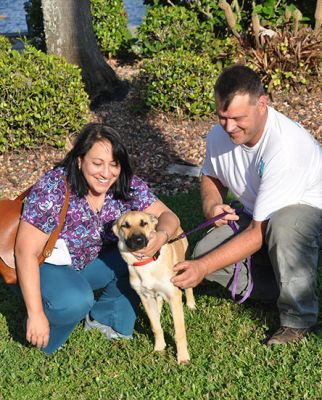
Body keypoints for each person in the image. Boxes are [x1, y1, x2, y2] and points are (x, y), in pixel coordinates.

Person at [172, 64, 322, 345]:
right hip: (261, 215)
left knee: (284, 225)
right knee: (205, 250)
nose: (229, 127)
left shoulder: (285, 147)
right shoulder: (220, 135)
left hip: (310, 215)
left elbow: (257, 232)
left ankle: (297, 319)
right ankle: (279, 289)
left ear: (262, 104)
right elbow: (211, 175)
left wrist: (201, 268)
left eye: (238, 118)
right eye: (222, 117)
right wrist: (213, 205)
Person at [15, 123, 180, 353]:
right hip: (47, 264)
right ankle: (42, 328)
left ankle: (107, 320)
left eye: (114, 164)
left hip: (89, 262)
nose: (106, 173)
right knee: (76, 300)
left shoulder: (125, 184)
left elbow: (168, 216)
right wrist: (35, 314)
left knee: (133, 257)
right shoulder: (53, 187)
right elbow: (25, 252)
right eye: (97, 163)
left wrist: (161, 236)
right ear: (80, 160)